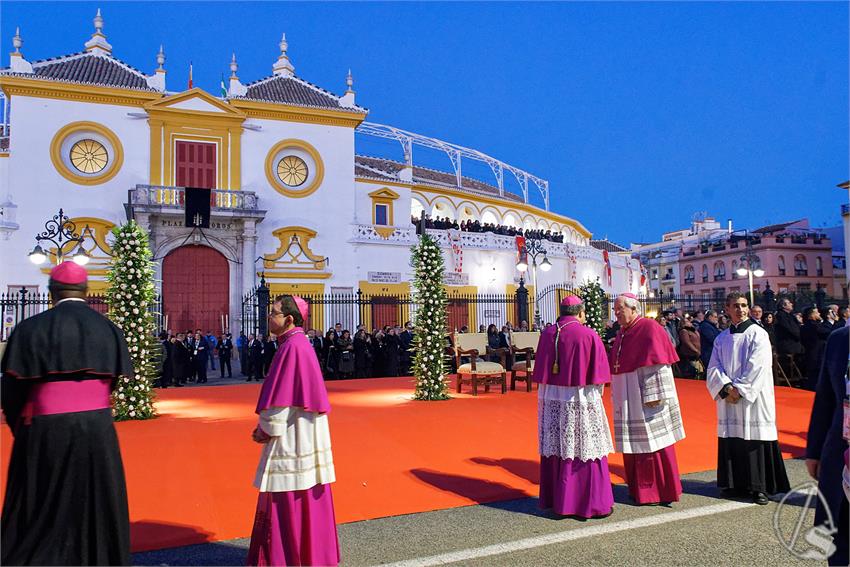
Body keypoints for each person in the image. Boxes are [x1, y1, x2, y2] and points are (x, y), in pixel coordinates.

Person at [0, 261, 132, 565]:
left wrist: (25, 428)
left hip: (46, 427)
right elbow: (110, 383)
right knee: (94, 499)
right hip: (97, 429)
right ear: (86, 291)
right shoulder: (108, 329)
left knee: (42, 503)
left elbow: (12, 390)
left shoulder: (29, 328)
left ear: (51, 293)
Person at [248, 295, 340, 566]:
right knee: (307, 491)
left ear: (289, 319)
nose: (269, 317)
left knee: (290, 492)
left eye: (273, 313)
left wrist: (264, 430)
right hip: (303, 429)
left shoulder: (291, 347)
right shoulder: (298, 343)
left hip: (293, 434)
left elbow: (280, 401)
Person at [533, 296, 614, 519]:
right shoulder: (588, 334)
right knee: (584, 443)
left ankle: (557, 500)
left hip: (552, 397)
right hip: (580, 397)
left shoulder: (547, 334)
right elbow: (599, 376)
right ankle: (589, 503)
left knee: (558, 444)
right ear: (580, 312)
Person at [706, 292, 790, 505]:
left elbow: (759, 365)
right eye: (735, 306)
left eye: (744, 305)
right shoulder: (721, 338)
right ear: (727, 308)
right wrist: (725, 387)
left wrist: (739, 390)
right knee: (733, 438)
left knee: (754, 438)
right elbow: (713, 366)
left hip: (753, 396)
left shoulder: (758, 334)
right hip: (730, 397)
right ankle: (735, 484)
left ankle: (759, 487)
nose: (740, 310)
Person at [609, 293, 685, 505]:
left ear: (633, 308)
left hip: (646, 397)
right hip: (628, 396)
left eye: (619, 309)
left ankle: (657, 491)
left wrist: (654, 395)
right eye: (615, 310)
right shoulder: (624, 332)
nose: (616, 313)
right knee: (635, 445)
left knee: (653, 443)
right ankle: (638, 489)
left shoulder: (649, 327)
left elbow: (658, 363)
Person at [806, 325, 849, 566]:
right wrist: (814, 451)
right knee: (839, 535)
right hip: (840, 452)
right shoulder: (838, 339)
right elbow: (825, 398)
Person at [801, 306, 830, 391]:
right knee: (816, 378)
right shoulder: (815, 326)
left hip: (810, 354)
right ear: (812, 315)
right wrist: (829, 321)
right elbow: (828, 332)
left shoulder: (804, 326)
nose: (819, 314)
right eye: (817, 312)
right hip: (817, 355)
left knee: (812, 377)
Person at [676, 313, 701, 379]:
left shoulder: (692, 330)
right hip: (688, 354)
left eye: (689, 321)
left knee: (696, 371)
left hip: (695, 354)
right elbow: (687, 342)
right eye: (687, 321)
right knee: (689, 371)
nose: (689, 322)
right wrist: (695, 350)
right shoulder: (684, 331)